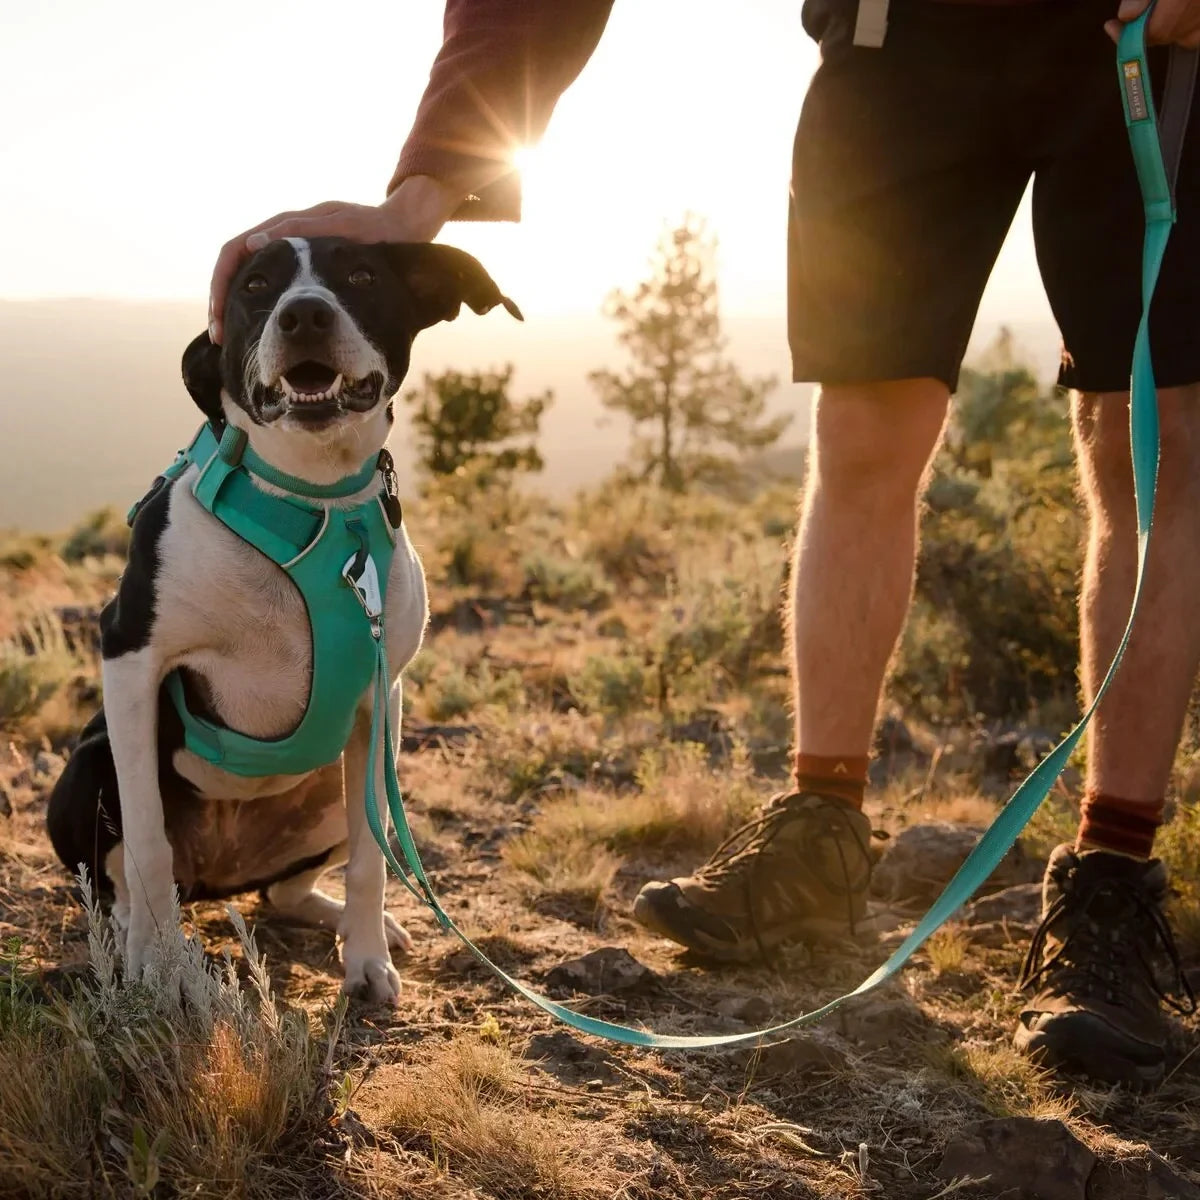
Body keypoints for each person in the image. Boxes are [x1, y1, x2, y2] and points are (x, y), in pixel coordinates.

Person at [210, 0, 1200, 1088]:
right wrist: (424, 188)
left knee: (1149, 440)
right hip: (896, 47)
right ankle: (818, 838)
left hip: (1136, 40)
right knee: (863, 431)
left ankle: (1112, 876)